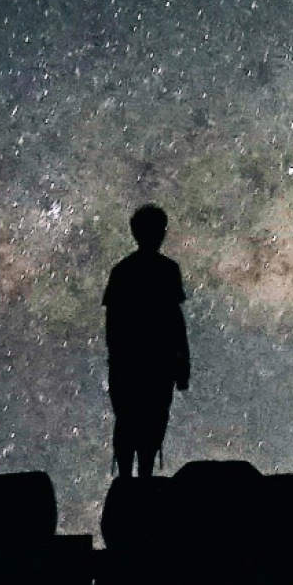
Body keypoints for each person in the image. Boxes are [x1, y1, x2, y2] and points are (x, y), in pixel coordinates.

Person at [104, 203, 189, 478]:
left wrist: (118, 359)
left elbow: (113, 324)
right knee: (150, 421)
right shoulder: (166, 270)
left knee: (131, 420)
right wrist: (182, 362)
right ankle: (142, 478)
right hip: (155, 361)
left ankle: (131, 479)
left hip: (131, 362)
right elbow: (175, 321)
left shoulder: (123, 271)